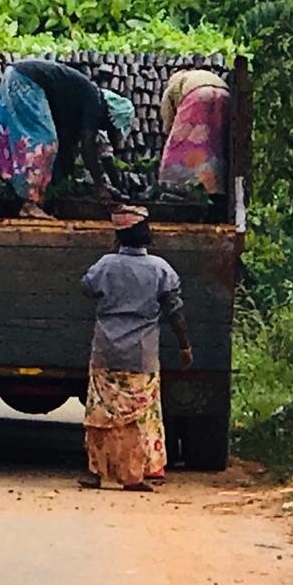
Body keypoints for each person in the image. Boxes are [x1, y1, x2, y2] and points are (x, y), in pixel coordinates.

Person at [80, 205, 192, 492]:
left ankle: (98, 472)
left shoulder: (106, 264)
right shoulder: (161, 269)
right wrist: (184, 346)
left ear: (119, 236)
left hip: (106, 351)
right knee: (139, 416)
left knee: (101, 413)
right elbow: (175, 311)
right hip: (141, 356)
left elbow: (87, 287)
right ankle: (135, 474)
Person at [0, 58, 133, 219]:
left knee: (19, 139)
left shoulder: (75, 102)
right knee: (45, 144)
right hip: (27, 80)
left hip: (15, 74)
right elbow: (87, 146)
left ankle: (22, 197)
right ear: (110, 116)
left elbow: (70, 147)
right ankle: (28, 204)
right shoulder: (95, 101)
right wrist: (100, 187)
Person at [158, 68, 230, 197]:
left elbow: (167, 113)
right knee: (215, 144)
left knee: (180, 144)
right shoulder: (203, 76)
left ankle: (174, 184)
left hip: (198, 96)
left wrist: (168, 132)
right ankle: (215, 187)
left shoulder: (174, 85)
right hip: (225, 96)